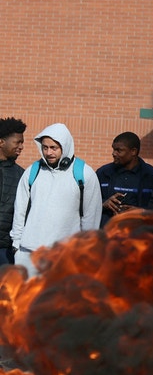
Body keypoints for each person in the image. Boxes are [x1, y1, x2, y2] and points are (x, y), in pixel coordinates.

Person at [10, 123, 101, 277]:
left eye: (54, 148)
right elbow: (20, 210)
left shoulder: (85, 173)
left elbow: (91, 217)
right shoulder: (32, 171)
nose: (48, 152)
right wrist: (17, 246)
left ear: (65, 146)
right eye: (45, 147)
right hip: (29, 254)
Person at [96, 132, 153, 227]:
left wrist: (142, 212)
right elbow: (87, 202)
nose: (113, 153)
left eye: (119, 150)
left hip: (139, 235)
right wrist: (104, 203)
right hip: (108, 233)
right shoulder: (103, 173)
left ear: (133, 151)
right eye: (113, 149)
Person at [0, 118, 26, 266]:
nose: (21, 147)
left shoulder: (23, 176)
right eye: (18, 142)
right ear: (1, 142)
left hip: (5, 251)